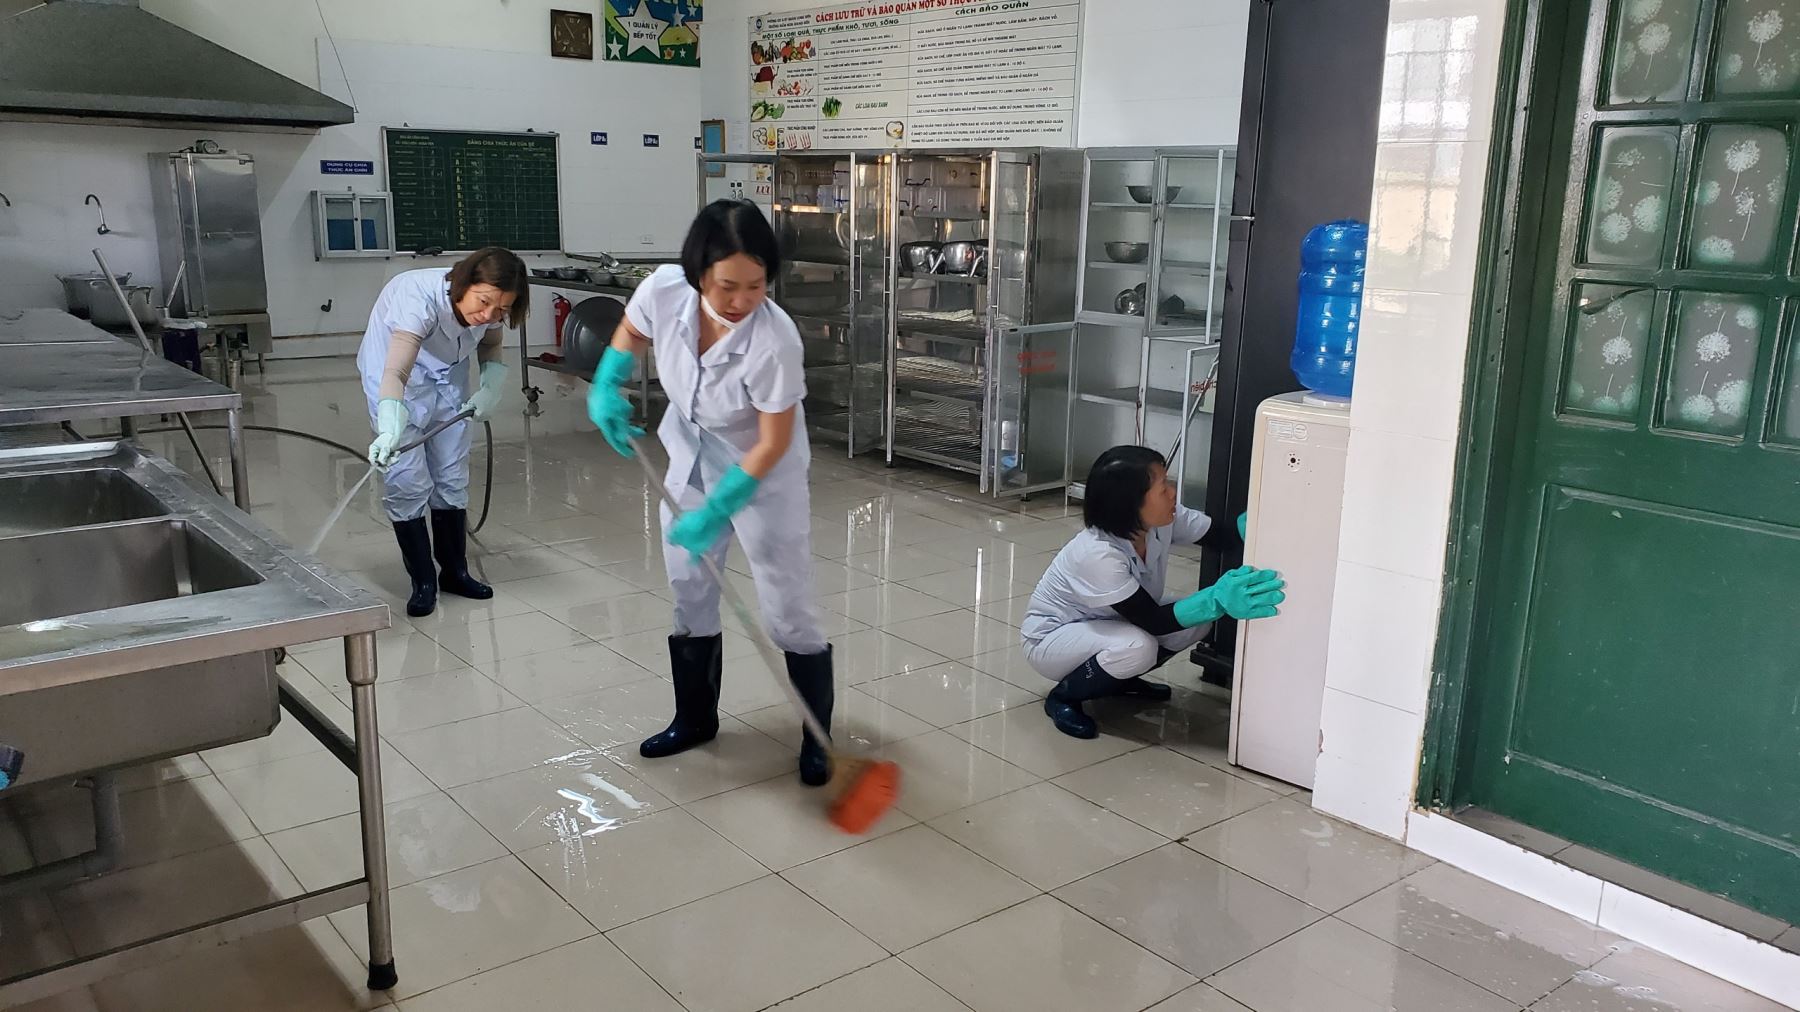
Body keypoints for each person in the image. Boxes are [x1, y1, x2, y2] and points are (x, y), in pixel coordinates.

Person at [587, 200, 833, 786]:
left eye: (756, 286)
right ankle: (695, 719)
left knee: (786, 606)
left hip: (763, 473)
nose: (741, 300)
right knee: (690, 587)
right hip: (693, 453)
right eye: (727, 286)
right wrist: (607, 382)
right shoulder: (665, 290)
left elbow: (773, 441)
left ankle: (818, 739)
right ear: (699, 273)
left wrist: (723, 505)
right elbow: (632, 330)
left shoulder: (775, 339)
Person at [1022, 445, 1287, 739]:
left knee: (1196, 623)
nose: (1173, 493)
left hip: (1112, 622)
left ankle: (1118, 680)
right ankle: (1065, 696)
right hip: (1054, 638)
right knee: (1139, 646)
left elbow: (1221, 536)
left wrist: (1260, 522)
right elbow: (1153, 621)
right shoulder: (1097, 554)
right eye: (1162, 488)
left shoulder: (1160, 522)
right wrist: (1215, 599)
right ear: (1130, 502)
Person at [360, 247, 528, 617]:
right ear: (464, 285)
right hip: (396, 380)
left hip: (447, 379)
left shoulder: (492, 303)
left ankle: (455, 572)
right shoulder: (417, 298)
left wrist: (491, 383)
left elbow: (491, 342)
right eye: (484, 303)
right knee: (408, 481)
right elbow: (396, 372)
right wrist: (389, 419)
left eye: (501, 309)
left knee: (452, 476)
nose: (489, 315)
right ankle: (423, 582)